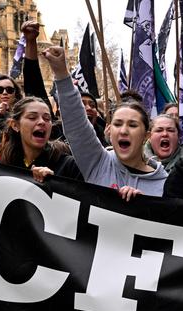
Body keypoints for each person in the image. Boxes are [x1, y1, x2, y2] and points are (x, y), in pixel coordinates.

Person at [44, 46, 167, 199]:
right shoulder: (97, 162)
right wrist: (61, 73)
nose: (123, 131)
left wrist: (143, 207)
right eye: (117, 124)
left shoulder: (164, 182)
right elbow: (77, 125)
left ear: (146, 135)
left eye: (133, 125)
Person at [0, 96, 82, 182]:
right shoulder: (4, 162)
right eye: (32, 117)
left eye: (47, 118)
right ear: (15, 125)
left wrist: (54, 182)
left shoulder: (69, 165)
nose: (42, 122)